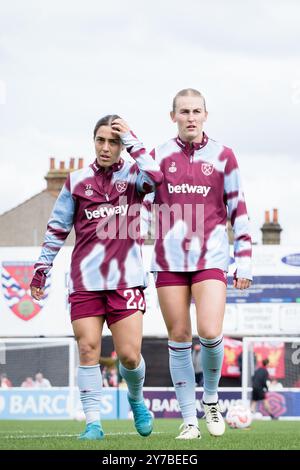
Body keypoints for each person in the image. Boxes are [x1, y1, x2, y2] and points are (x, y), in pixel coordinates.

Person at [30, 115, 163, 440]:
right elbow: (58, 227)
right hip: (85, 283)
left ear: (122, 146)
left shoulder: (134, 176)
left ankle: (136, 399)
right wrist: (41, 267)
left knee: (130, 355)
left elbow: (156, 177)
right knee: (88, 348)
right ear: (93, 142)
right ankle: (93, 423)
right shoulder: (76, 181)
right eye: (100, 140)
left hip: (126, 280)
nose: (105, 147)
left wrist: (132, 139)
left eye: (113, 141)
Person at [146, 88, 252, 439]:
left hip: (211, 258)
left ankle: (210, 400)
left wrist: (244, 261)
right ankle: (189, 420)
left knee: (208, 331)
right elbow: (140, 200)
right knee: (178, 337)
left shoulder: (224, 155)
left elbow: (238, 209)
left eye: (196, 111)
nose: (190, 117)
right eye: (184, 111)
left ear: (205, 115)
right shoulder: (157, 156)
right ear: (172, 116)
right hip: (169, 260)